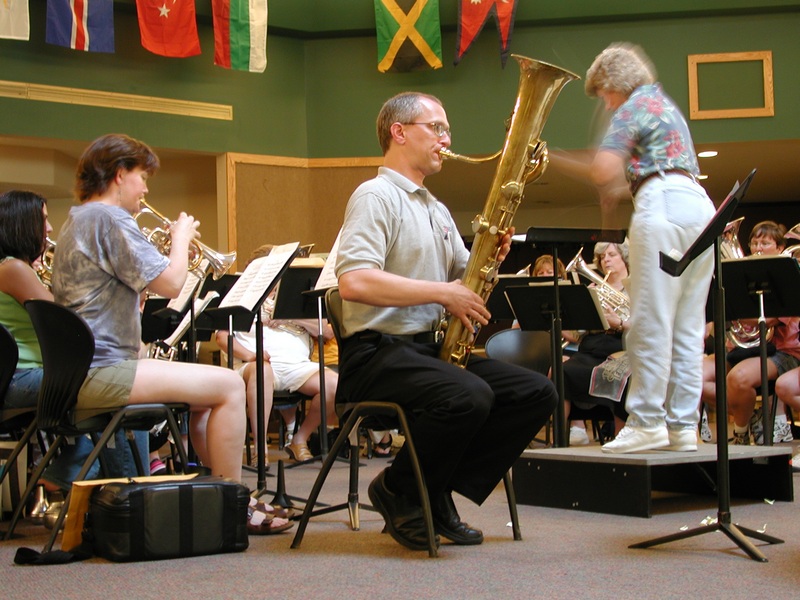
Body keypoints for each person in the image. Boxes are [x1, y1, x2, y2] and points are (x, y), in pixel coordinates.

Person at [334, 92, 558, 551]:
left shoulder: (435, 208)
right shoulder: (375, 196)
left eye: (446, 130)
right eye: (436, 127)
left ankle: (428, 491)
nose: (446, 139)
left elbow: (464, 279)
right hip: (376, 355)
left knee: (536, 393)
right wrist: (443, 292)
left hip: (425, 352)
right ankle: (402, 490)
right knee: (468, 396)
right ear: (399, 132)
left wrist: (491, 259)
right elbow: (354, 283)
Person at [50, 134, 290, 534]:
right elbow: (173, 282)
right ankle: (234, 505)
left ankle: (213, 496)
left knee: (206, 399)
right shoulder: (109, 218)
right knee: (231, 384)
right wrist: (179, 239)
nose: (145, 189)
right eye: (142, 177)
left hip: (82, 373)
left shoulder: (78, 219)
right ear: (120, 174)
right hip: (106, 372)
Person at [583, 43, 716, 453]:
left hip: (662, 205)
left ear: (614, 84)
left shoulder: (633, 105)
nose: (605, 104)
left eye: (604, 94)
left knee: (650, 320)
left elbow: (603, 168)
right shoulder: (665, 105)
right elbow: (658, 170)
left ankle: (645, 422)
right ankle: (681, 427)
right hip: (699, 206)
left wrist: (572, 163)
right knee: (688, 326)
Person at [0, 190, 153, 510]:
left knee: (115, 387)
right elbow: (68, 322)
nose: (50, 229)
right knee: (122, 388)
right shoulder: (12, 268)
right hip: (20, 380)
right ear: (21, 224)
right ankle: (132, 496)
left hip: (33, 377)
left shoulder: (14, 268)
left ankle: (75, 472)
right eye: (43, 219)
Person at [215, 244, 339, 465]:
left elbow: (327, 331)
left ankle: (300, 439)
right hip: (255, 364)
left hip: (296, 367)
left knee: (334, 384)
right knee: (263, 371)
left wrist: (290, 316)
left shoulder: (292, 298)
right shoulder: (241, 296)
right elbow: (222, 337)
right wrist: (252, 356)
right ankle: (260, 446)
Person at [700, 221, 799, 444]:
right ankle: (751, 414)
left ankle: (741, 432)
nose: (758, 248)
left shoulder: (787, 276)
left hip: (782, 352)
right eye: (754, 243)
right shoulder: (741, 275)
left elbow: (773, 318)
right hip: (742, 349)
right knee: (693, 376)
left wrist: (734, 311)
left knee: (739, 378)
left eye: (765, 243)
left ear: (780, 248)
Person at [562, 242, 630, 445]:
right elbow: (578, 334)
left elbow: (643, 325)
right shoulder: (594, 290)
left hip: (620, 347)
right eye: (602, 256)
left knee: (621, 377)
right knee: (563, 371)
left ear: (624, 258)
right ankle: (562, 438)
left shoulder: (635, 288)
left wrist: (617, 322)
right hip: (591, 348)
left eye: (611, 254)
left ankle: (621, 438)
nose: (606, 259)